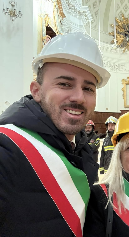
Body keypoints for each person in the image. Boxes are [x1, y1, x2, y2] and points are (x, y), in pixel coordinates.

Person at [0, 32, 110, 237]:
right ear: (36, 90)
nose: (78, 97)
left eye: (88, 88)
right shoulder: (6, 148)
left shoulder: (84, 153)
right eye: (65, 84)